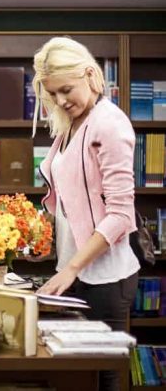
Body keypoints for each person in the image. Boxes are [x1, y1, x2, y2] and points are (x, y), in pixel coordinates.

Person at [32, 37, 140, 390]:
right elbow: (70, 197)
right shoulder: (72, 124)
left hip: (104, 275)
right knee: (75, 372)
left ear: (90, 75)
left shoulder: (109, 124)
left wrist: (74, 267)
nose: (61, 101)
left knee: (102, 373)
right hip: (74, 267)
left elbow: (121, 214)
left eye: (66, 90)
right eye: (53, 94)